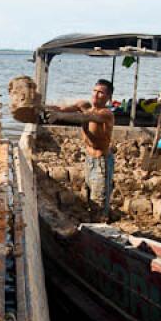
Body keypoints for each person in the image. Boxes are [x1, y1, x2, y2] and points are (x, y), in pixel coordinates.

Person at [47, 79, 116, 221]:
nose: (96, 95)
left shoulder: (106, 114)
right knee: (90, 198)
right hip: (89, 160)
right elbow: (60, 108)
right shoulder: (85, 106)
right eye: (95, 91)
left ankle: (101, 225)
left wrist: (60, 117)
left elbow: (84, 117)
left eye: (101, 93)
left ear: (109, 98)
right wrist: (40, 107)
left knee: (99, 200)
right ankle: (94, 222)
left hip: (101, 162)